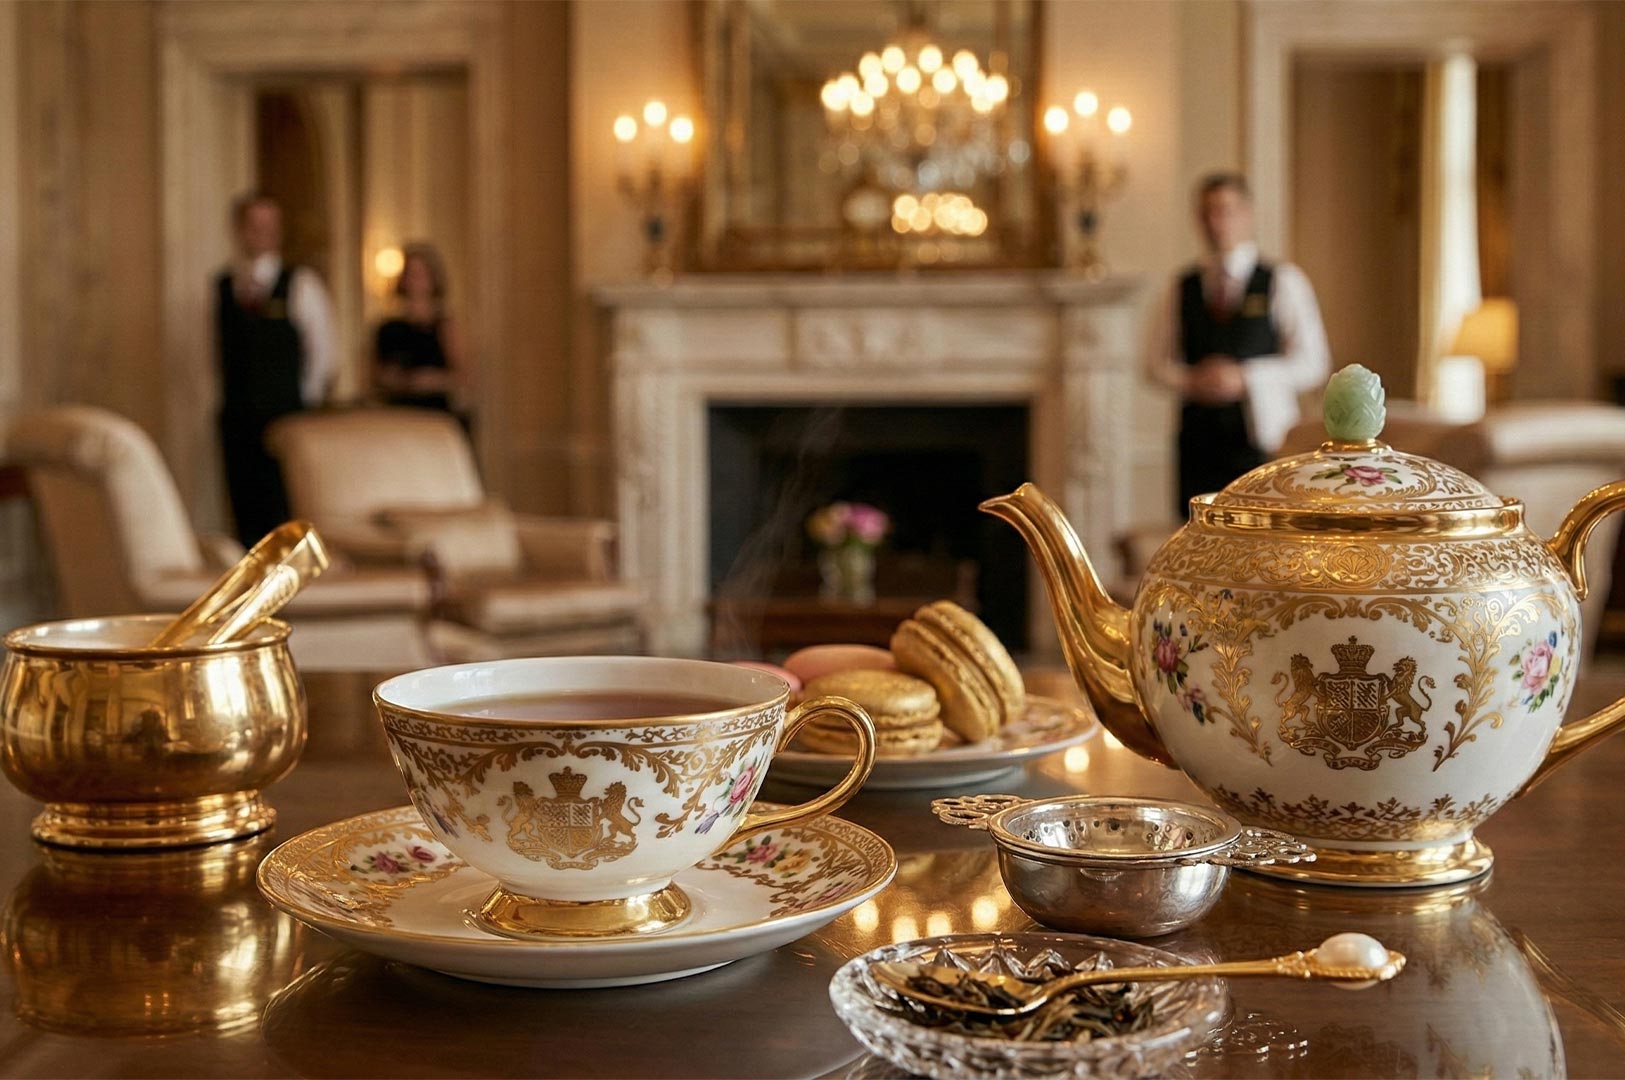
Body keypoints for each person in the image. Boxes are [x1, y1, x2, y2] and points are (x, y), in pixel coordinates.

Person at [1144, 172, 1330, 516]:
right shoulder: (1181, 287)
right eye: (1208, 213)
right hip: (1197, 441)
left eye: (1226, 210)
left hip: (1260, 439)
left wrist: (1245, 377)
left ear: (1247, 214)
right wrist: (1193, 380)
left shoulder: (1282, 281)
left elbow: (1313, 361)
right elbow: (1154, 364)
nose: (1217, 222)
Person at [215, 192, 336, 546]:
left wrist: (302, 405)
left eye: (270, 225)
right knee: (243, 512)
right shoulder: (223, 286)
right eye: (254, 225)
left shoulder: (301, 284)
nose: (262, 233)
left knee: (284, 510)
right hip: (237, 416)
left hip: (286, 413)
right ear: (239, 230)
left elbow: (323, 353)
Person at [372, 243, 469, 420]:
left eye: (421, 274)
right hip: (399, 413)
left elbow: (461, 374)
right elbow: (375, 374)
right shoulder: (388, 328)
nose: (415, 281)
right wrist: (396, 380)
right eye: (410, 274)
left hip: (435, 414)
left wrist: (432, 380)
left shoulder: (444, 325)